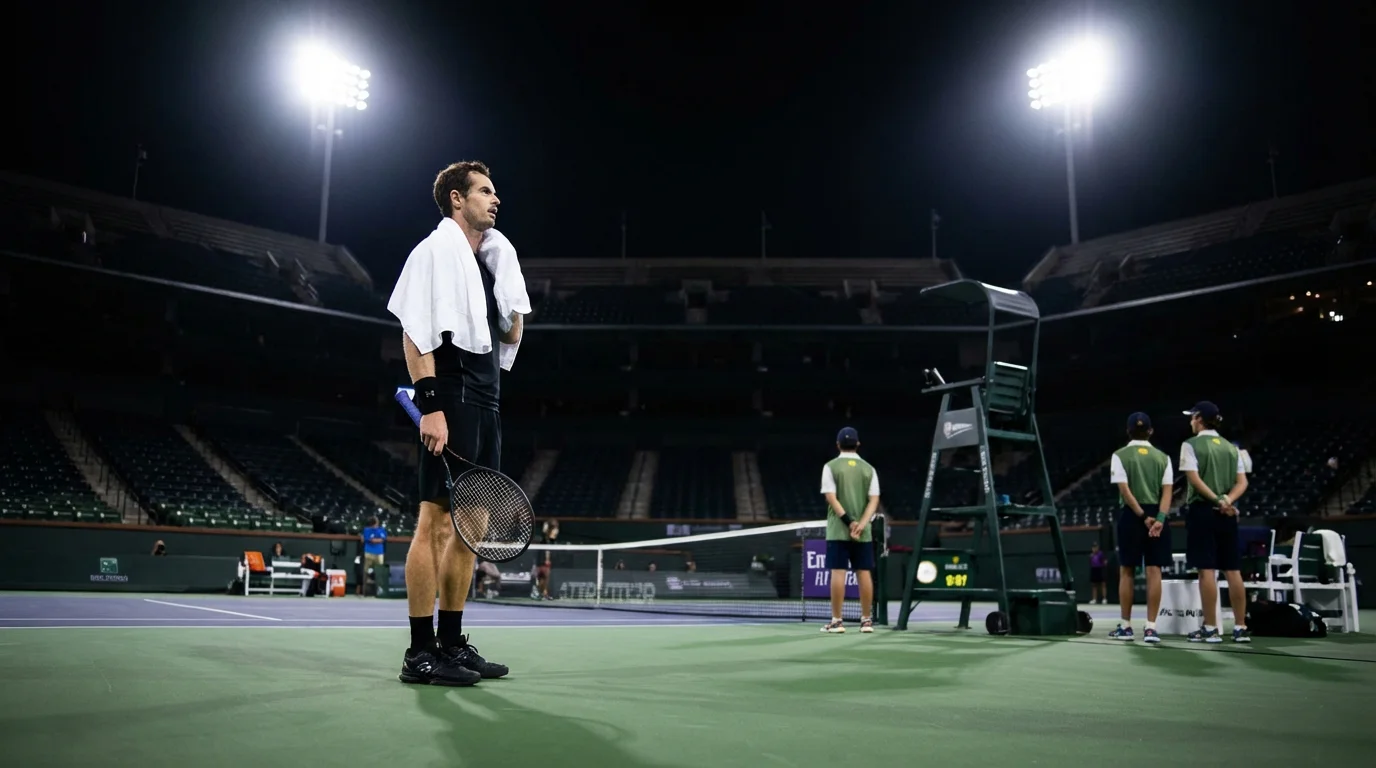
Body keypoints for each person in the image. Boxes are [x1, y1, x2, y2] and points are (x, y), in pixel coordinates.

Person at [386, 160, 531, 685]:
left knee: (471, 531)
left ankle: (452, 643)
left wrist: (513, 290)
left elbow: (511, 335)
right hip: (450, 394)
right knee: (436, 522)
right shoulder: (431, 253)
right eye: (485, 191)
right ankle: (419, 651)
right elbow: (413, 330)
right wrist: (430, 405)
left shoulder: (491, 265)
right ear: (456, 199)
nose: (496, 200)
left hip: (488, 401)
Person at [1179, 401, 1250, 643]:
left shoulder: (1190, 445)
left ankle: (1210, 628)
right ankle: (1240, 627)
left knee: (1206, 570)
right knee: (1233, 570)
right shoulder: (1231, 448)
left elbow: (1194, 479)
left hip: (1203, 511)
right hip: (1227, 513)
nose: (1190, 421)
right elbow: (1242, 483)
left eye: (1192, 417)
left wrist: (1217, 500)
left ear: (1199, 419)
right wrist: (1227, 501)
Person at [1106, 412, 1174, 644]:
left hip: (1132, 516)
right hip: (1158, 515)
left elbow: (1124, 490)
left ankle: (1126, 626)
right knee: (1154, 570)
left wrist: (1143, 517)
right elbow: (1168, 492)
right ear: (1151, 431)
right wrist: (1160, 519)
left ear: (1128, 431)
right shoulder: (1163, 458)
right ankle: (1151, 628)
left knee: (1127, 570)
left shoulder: (1119, 456)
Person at [819, 426, 881, 634]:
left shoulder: (830, 466)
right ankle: (866, 621)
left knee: (838, 572)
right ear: (858, 444)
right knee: (863, 572)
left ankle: (836, 622)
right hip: (863, 532)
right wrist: (861, 524)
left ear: (837, 445)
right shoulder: (869, 469)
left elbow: (831, 497)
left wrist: (848, 522)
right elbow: (874, 501)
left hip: (838, 530)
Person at [359, 517, 386, 597]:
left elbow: (382, 539)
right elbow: (371, 540)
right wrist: (377, 540)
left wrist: (375, 540)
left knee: (380, 571)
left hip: (379, 553)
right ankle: (364, 591)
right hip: (369, 553)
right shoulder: (366, 530)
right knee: (366, 571)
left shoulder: (381, 529)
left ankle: (380, 590)